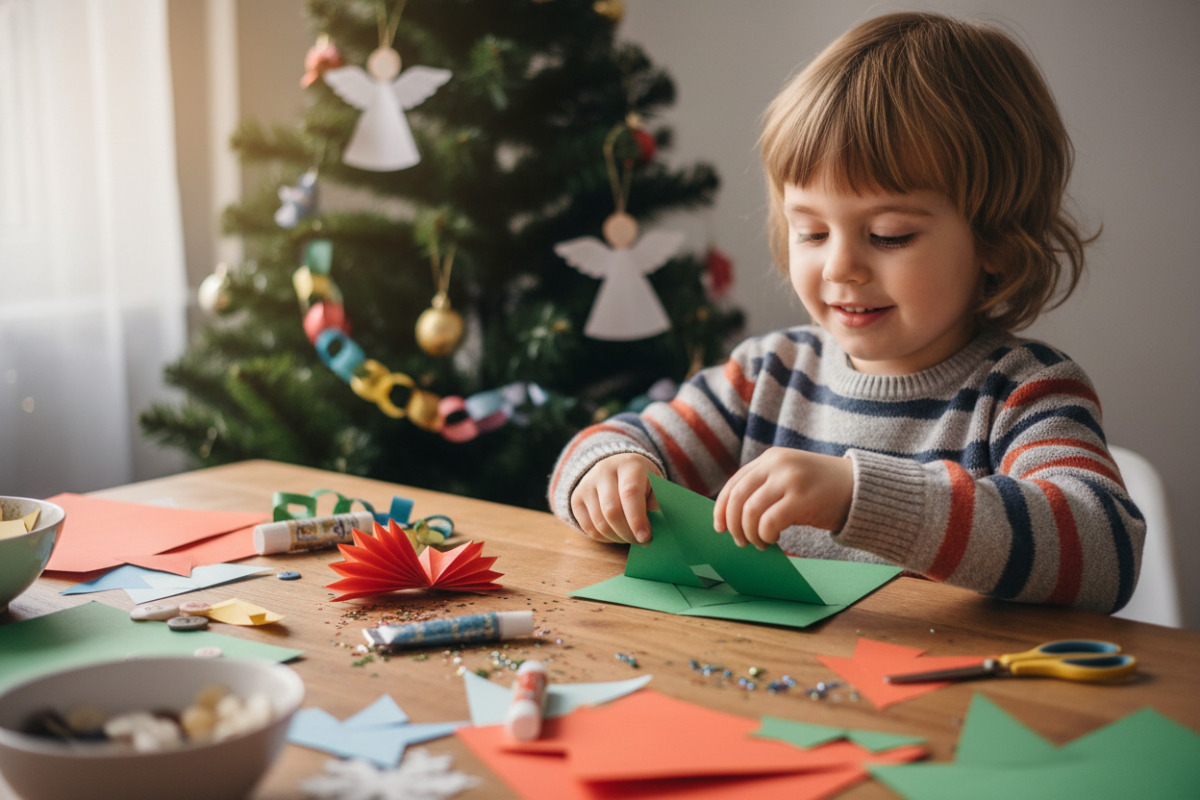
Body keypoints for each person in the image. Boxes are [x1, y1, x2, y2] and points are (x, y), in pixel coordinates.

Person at [547, 11, 1144, 614]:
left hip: (949, 703)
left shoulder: (1024, 393)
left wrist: (860, 495)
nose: (840, 267)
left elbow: (1106, 552)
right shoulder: (768, 375)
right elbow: (613, 440)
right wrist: (611, 471)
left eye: (888, 235)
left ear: (994, 237)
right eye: (811, 232)